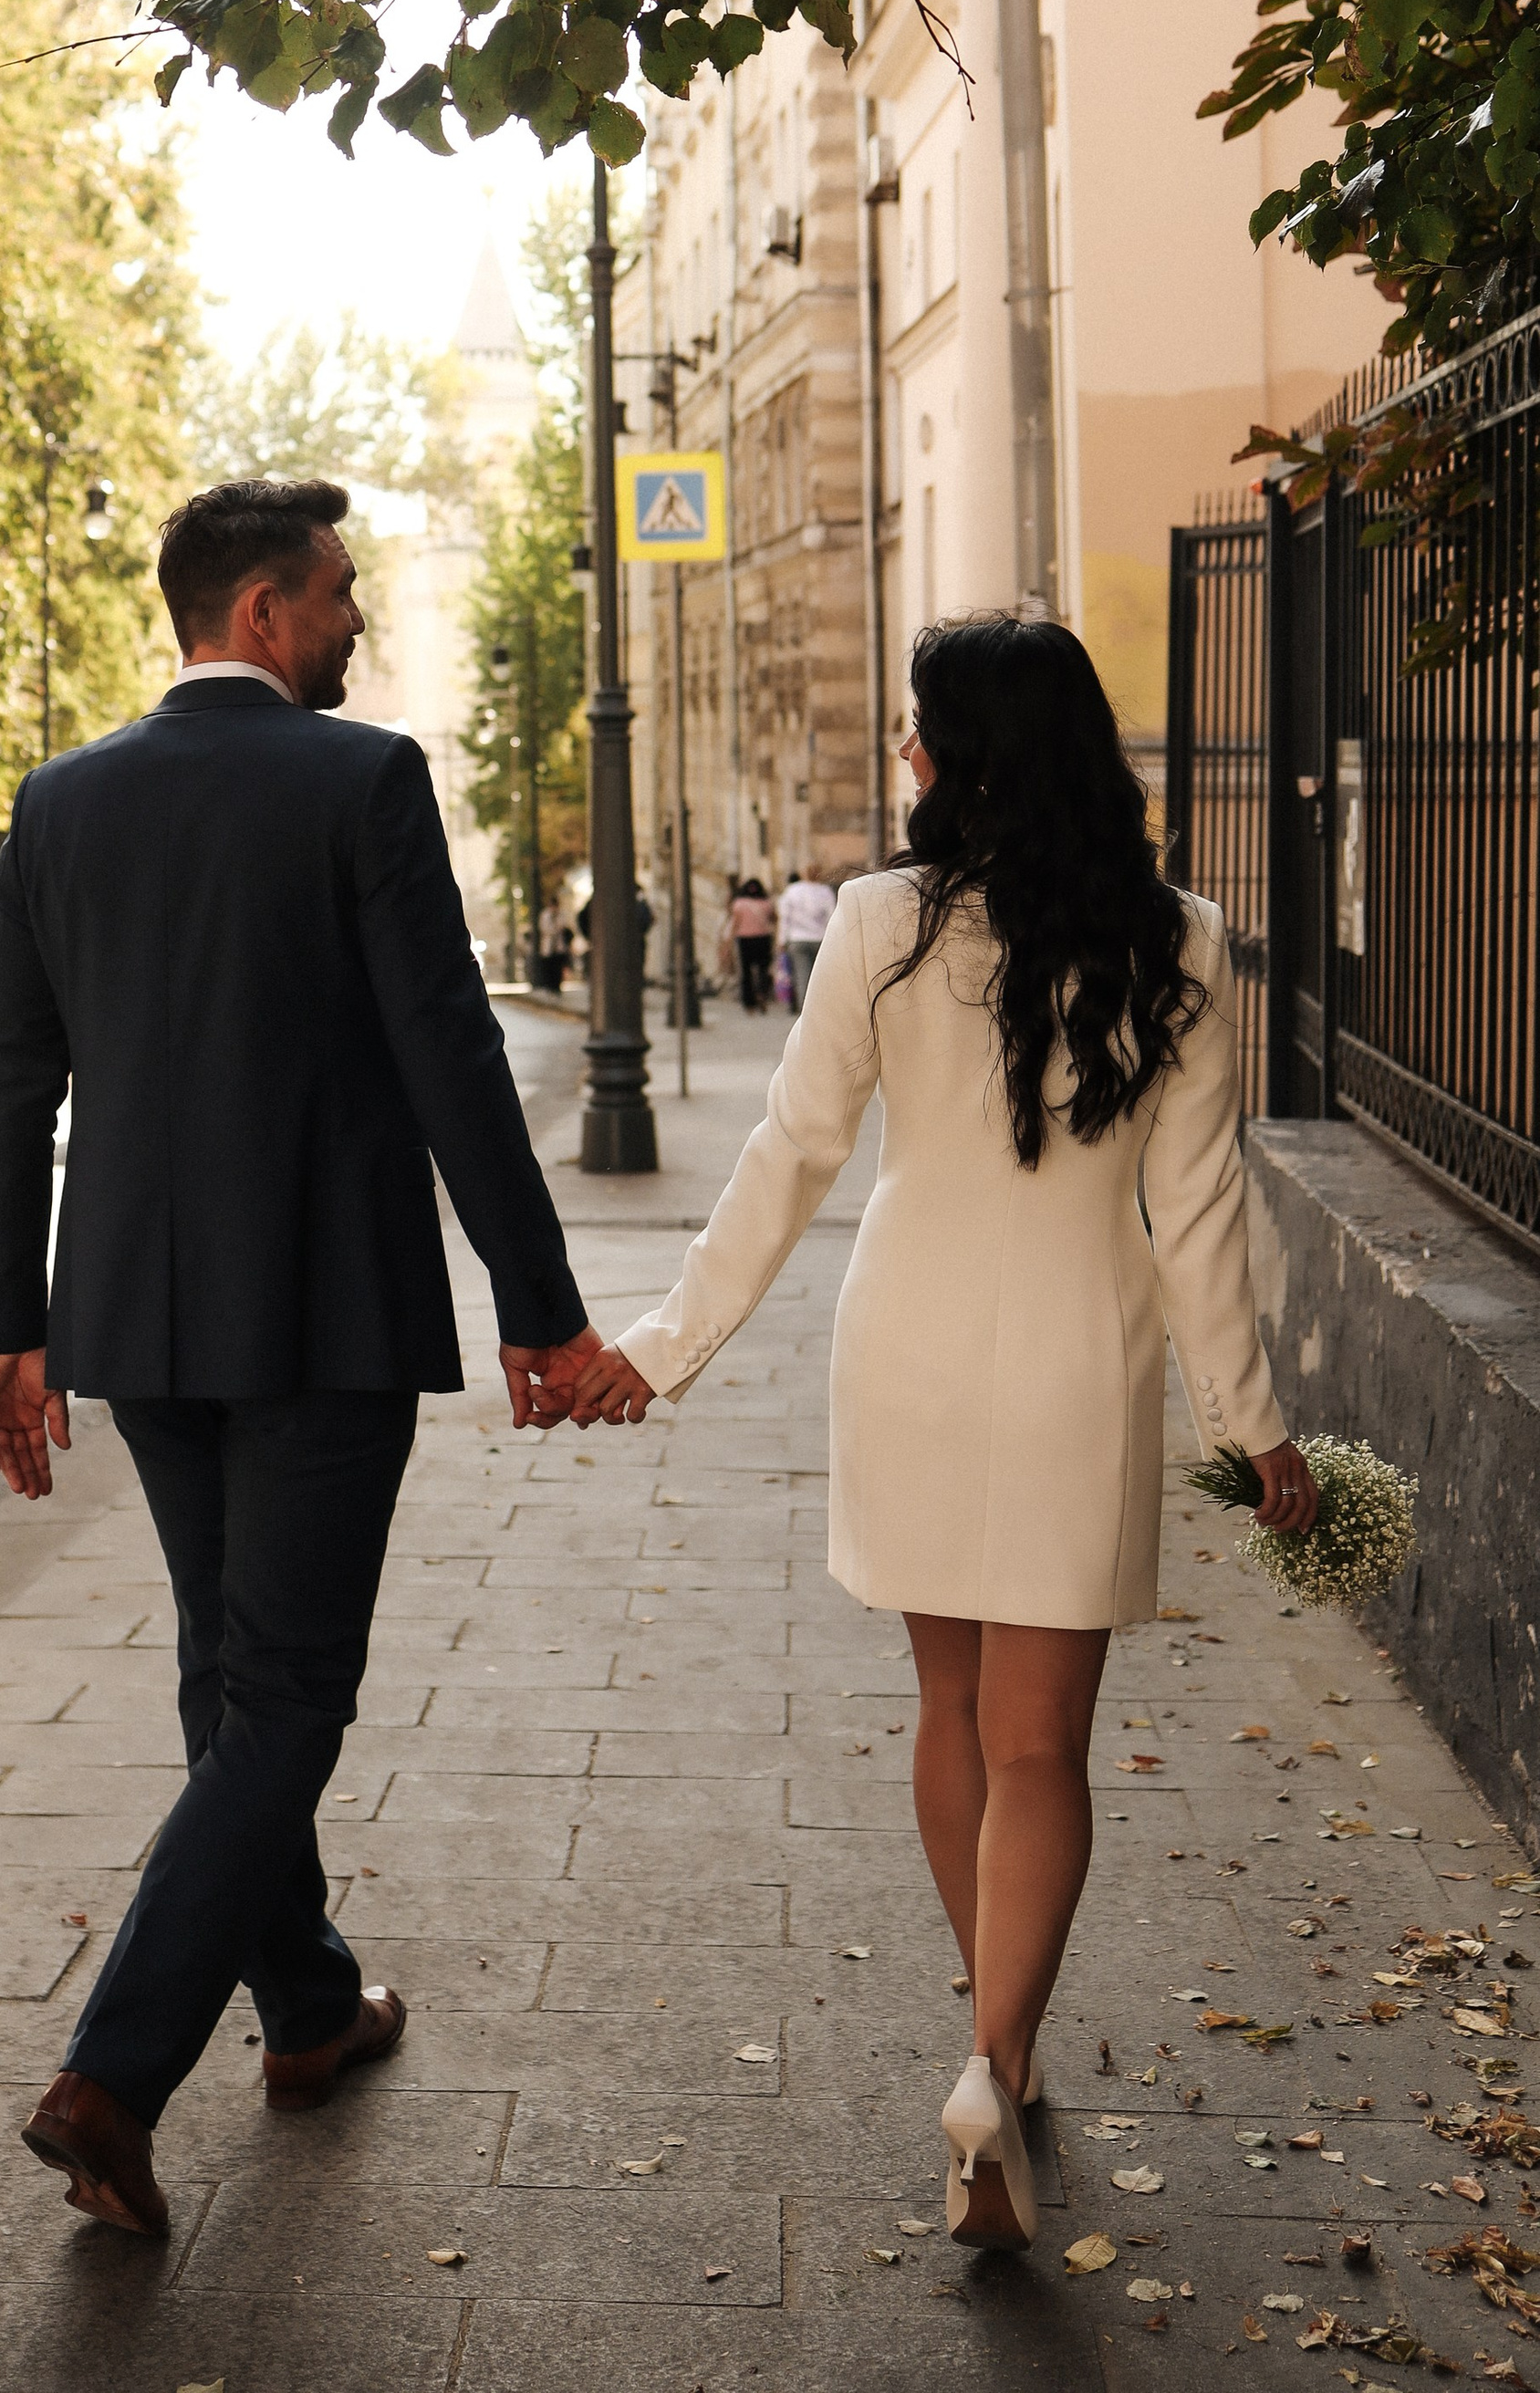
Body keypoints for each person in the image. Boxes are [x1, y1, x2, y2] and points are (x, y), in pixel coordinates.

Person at [568, 614, 1315, 2253]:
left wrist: (660, 1349)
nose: (906, 753)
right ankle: (994, 2062)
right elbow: (1196, 1218)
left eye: (921, 728)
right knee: (1046, 1746)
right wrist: (1257, 1430)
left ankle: (998, 2031)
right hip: (1073, 1356)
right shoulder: (1181, 938)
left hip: (903, 1343)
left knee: (953, 1709)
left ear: (964, 752)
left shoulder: (887, 924)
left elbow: (789, 1153)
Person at [0, 476, 599, 2240]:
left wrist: (6, 1325)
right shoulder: (362, 780)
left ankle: (309, 2008)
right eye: (336, 595)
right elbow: (452, 1057)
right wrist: (537, 1302)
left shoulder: (62, 801)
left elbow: (15, 1079)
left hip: (140, 1319)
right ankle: (113, 2074)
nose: (355, 625)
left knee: (223, 1669)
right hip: (322, 1313)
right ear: (258, 613)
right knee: (290, 1693)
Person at [777, 866, 837, 1012]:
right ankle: (819, 1009)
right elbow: (832, 916)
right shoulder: (825, 892)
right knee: (819, 976)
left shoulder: (792, 890)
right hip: (820, 938)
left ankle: (804, 1010)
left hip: (797, 938)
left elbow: (785, 917)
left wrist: (782, 940)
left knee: (801, 975)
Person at [724, 875, 776, 1013]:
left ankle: (749, 1004)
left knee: (746, 972)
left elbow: (735, 924)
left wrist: (729, 941)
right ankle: (762, 994)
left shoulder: (739, 904)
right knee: (763, 969)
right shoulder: (766, 903)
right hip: (763, 939)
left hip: (745, 940)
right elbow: (774, 919)